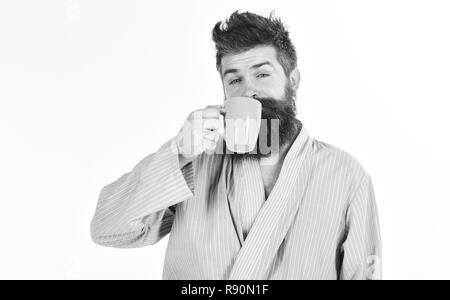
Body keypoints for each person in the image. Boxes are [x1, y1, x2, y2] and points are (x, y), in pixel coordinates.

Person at [90, 10, 382, 280]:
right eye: (235, 81)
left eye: (262, 74)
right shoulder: (195, 164)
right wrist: (177, 152)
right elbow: (107, 229)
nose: (249, 90)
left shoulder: (346, 175)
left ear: (293, 80)